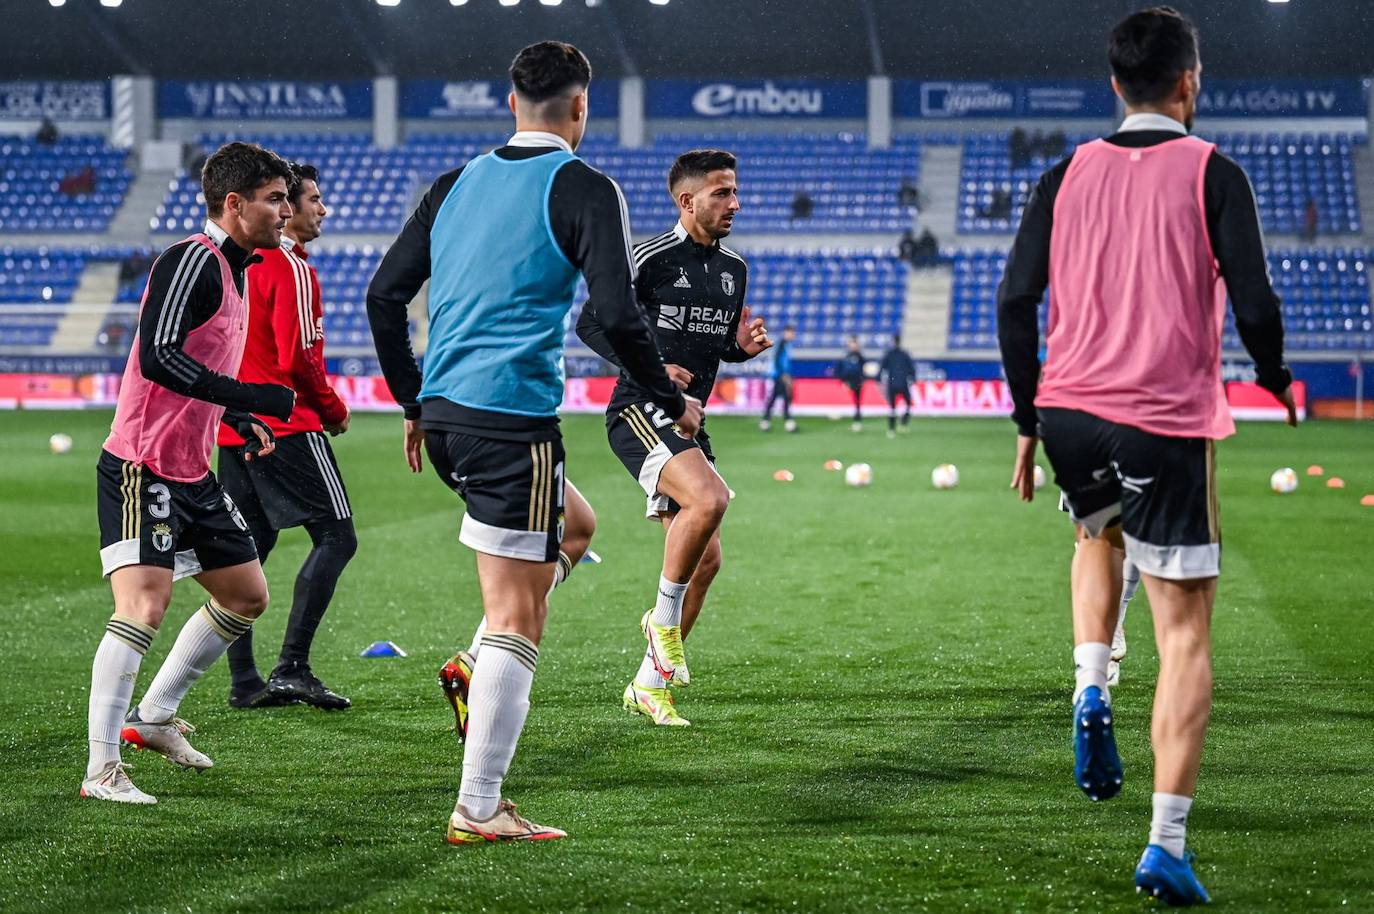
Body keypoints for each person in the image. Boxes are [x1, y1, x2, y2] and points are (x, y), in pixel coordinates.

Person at [997, 8, 1296, 904]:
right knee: (1184, 631)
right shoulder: (1213, 171)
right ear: (1189, 82)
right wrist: (1276, 375)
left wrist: (1026, 418)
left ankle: (1091, 686)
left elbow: (1015, 300)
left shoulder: (1065, 171)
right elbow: (1254, 297)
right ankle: (1165, 844)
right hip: (1166, 419)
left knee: (1097, 538)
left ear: (1114, 85)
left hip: (1072, 417)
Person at [366, 41, 698, 844]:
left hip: (446, 420)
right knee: (519, 618)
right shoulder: (584, 187)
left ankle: (475, 672)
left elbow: (384, 297)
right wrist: (668, 396)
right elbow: (618, 317)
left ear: (510, 104)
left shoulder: (452, 185)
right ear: (581, 110)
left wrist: (413, 402)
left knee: (576, 528)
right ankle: (480, 805)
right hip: (512, 425)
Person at [83, 142, 296, 805]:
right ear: (234, 204)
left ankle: (152, 718)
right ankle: (102, 770)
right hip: (140, 466)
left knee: (245, 594)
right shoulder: (191, 260)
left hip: (190, 470)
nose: (284, 211)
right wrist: (256, 396)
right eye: (274, 198)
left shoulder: (237, 273)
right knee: (143, 606)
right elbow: (158, 357)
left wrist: (235, 410)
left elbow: (192, 371)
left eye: (287, 198)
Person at [576, 149, 770, 727]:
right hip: (638, 409)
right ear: (687, 201)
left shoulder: (735, 268)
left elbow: (714, 345)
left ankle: (647, 685)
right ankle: (662, 621)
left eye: (735, 192)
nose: (735, 203)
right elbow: (591, 322)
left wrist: (742, 349)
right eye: (721, 193)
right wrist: (653, 374)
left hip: (689, 420)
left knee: (706, 562)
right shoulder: (648, 259)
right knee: (711, 499)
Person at [217, 163, 355, 712]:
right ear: (287, 209)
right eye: (313, 200)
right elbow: (298, 355)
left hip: (234, 425)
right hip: (288, 424)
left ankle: (245, 680)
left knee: (245, 549)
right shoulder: (291, 266)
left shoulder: (239, 265)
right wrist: (333, 408)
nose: (322, 209)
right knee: (337, 537)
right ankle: (292, 666)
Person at [761, 324, 797, 433]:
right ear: (786, 333)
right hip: (779, 375)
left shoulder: (787, 344)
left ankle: (767, 421)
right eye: (791, 333)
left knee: (779, 397)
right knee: (783, 397)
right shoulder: (782, 344)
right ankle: (786, 421)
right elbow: (777, 360)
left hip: (782, 375)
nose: (793, 335)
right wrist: (784, 375)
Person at [880, 334, 915, 438]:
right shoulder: (904, 354)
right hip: (903, 384)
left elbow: (882, 368)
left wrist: (878, 379)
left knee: (892, 408)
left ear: (893, 342)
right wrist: (912, 379)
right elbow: (911, 369)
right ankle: (903, 423)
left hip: (892, 385)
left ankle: (892, 429)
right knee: (908, 404)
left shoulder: (889, 354)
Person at [834, 336, 866, 431]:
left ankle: (857, 420)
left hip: (858, 382)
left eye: (855, 345)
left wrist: (863, 380)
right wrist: (843, 382)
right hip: (847, 382)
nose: (854, 347)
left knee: (857, 402)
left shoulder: (860, 357)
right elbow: (839, 371)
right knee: (851, 401)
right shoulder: (845, 357)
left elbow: (864, 369)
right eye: (852, 344)